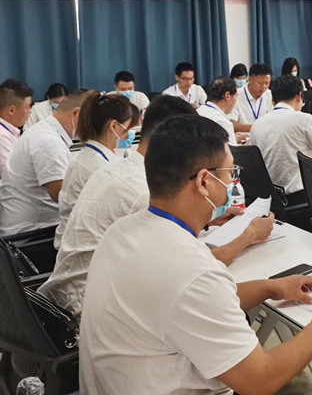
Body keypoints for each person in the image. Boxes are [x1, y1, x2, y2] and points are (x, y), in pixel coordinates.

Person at [78, 114, 312, 394]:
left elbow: (192, 300)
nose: (232, 182)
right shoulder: (192, 271)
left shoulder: (122, 231)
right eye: (229, 174)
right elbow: (260, 380)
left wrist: (269, 287)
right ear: (204, 182)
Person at [39, 96, 273, 322]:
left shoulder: (118, 169)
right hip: (89, 309)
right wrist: (249, 235)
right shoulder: (143, 191)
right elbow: (193, 267)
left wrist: (209, 219)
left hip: (67, 300)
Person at [54, 91, 140, 249]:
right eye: (128, 128)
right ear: (114, 126)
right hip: (87, 248)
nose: (129, 134)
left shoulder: (86, 157)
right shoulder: (100, 168)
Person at [0, 90, 89, 237]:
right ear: (76, 114)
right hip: (30, 233)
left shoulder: (46, 130)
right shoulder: (48, 141)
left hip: (36, 224)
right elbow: (63, 196)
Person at [251, 75, 312, 196]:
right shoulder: (303, 119)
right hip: (304, 194)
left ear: (273, 101)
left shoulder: (257, 124)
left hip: (272, 197)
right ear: (299, 96)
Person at [197, 77, 244, 146]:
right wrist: (246, 145)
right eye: (235, 96)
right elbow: (233, 151)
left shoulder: (198, 111)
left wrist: (234, 139)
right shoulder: (222, 122)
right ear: (227, 96)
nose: (236, 100)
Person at [0, 79, 33, 177]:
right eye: (27, 107)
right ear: (12, 110)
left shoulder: (9, 131)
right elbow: (15, 175)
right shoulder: (2, 136)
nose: (30, 111)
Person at [230, 63, 273, 133]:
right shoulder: (236, 96)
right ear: (250, 79)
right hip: (243, 137)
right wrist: (255, 128)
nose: (264, 87)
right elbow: (232, 124)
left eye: (267, 83)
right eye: (260, 83)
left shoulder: (269, 94)